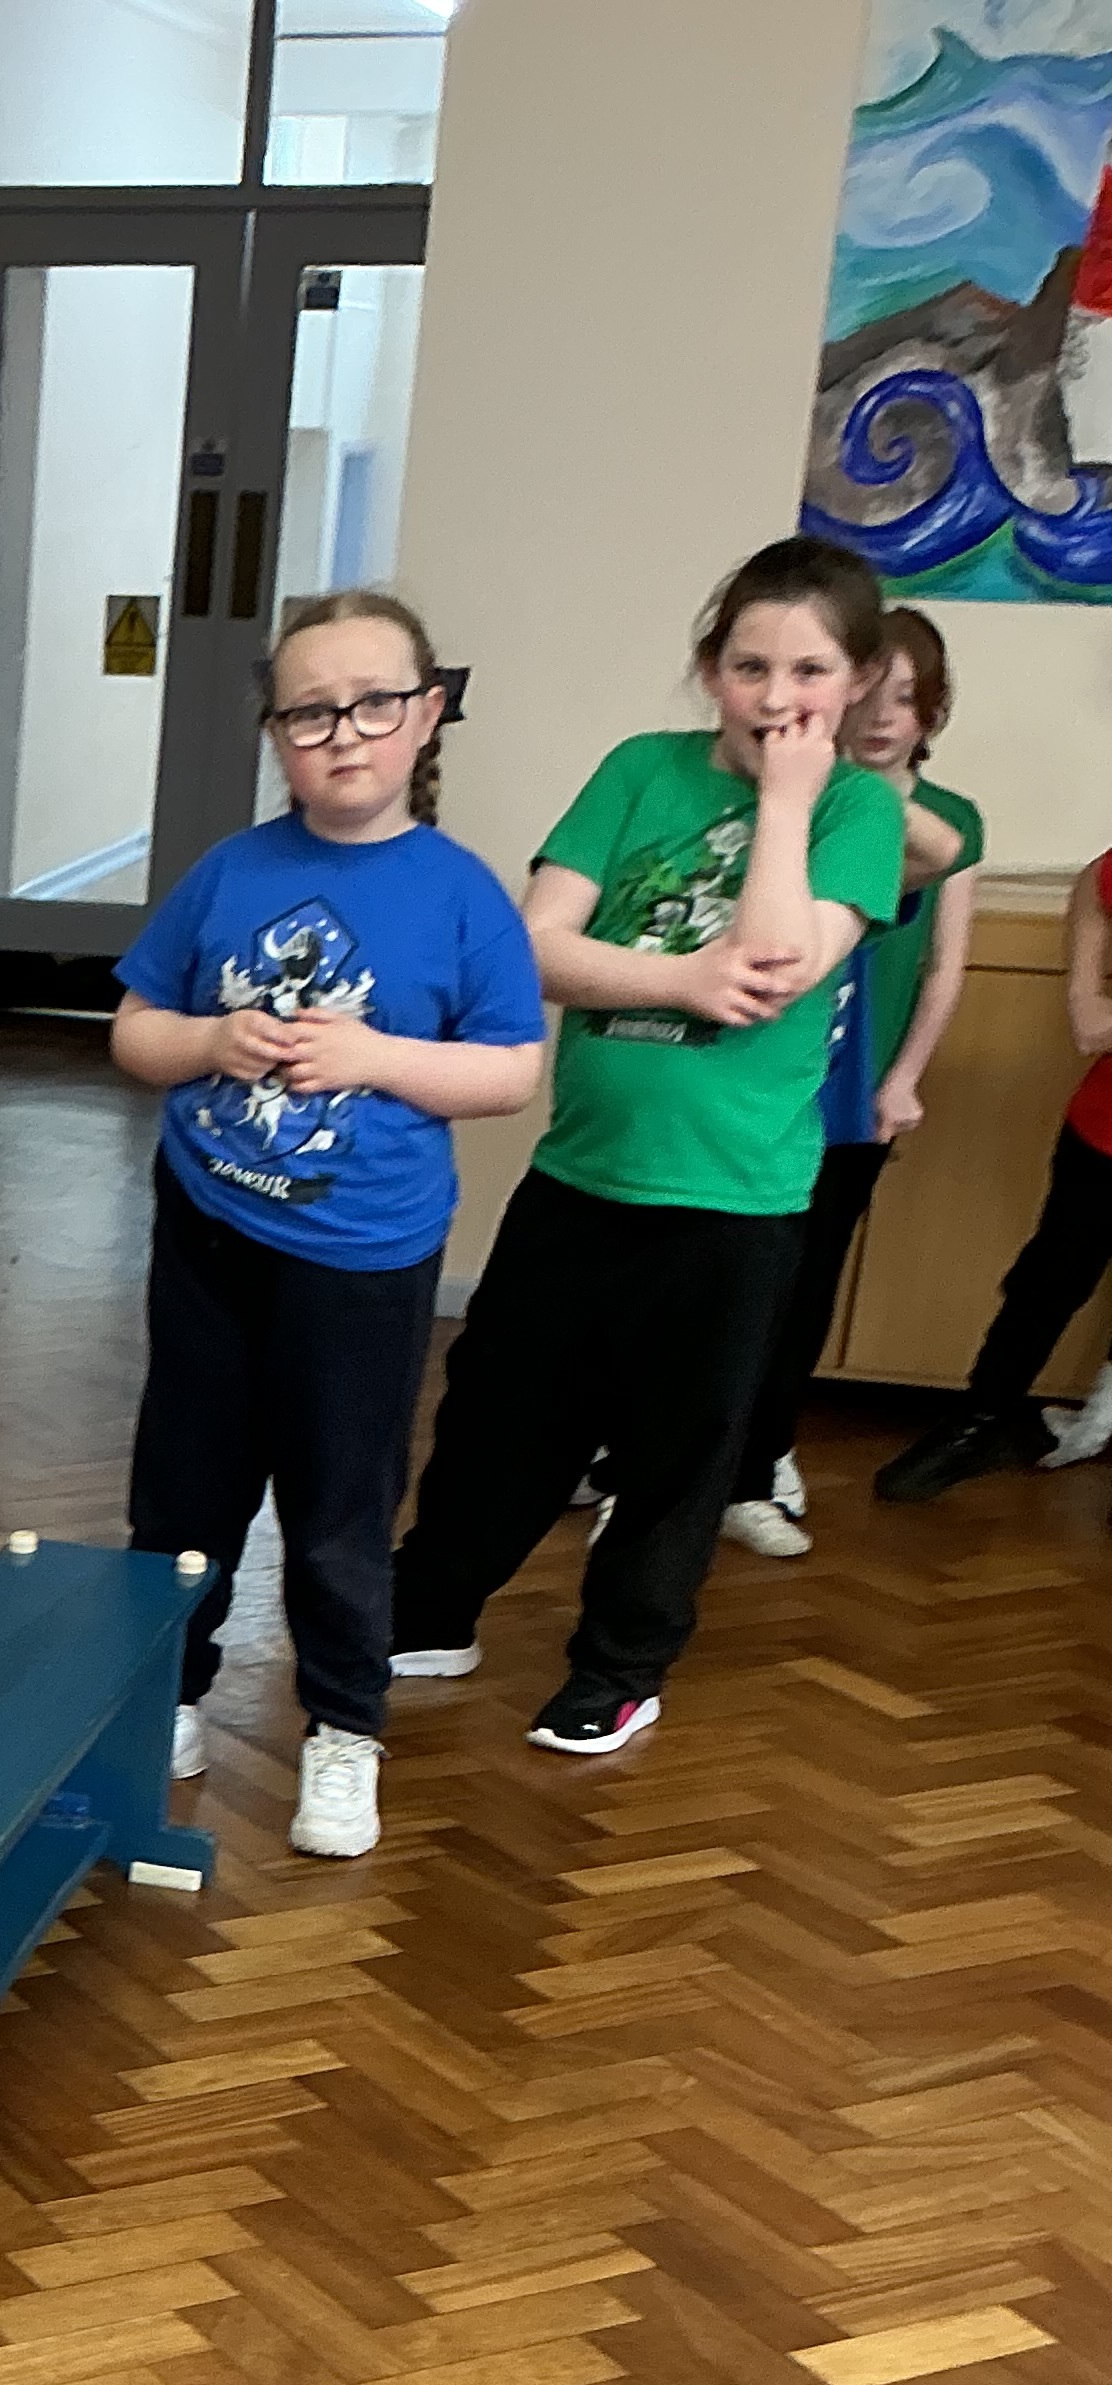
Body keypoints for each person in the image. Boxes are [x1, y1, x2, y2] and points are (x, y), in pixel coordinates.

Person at [387, 536, 906, 1755]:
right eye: (750, 667)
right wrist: (681, 977)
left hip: (735, 1203)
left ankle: (620, 1666)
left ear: (859, 680)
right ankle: (430, 1611)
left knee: (678, 1454)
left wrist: (785, 805)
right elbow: (534, 946)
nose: (777, 699)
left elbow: (776, 969)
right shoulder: (639, 768)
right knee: (501, 1415)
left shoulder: (858, 810)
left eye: (810, 672)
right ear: (710, 668)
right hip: (582, 1174)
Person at [111, 591, 545, 1857]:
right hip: (208, 1233)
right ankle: (165, 1694)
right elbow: (138, 1031)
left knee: (340, 1508)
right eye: (310, 713)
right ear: (277, 732)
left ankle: (345, 1729)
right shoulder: (229, 871)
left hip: (362, 1262)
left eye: (372, 705)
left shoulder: (461, 894)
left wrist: (375, 1058)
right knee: (183, 1488)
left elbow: (511, 1070)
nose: (343, 733)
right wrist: (210, 1041)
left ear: (427, 714)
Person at [726, 607, 983, 1549]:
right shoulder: (788, 798)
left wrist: (901, 1079)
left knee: (803, 1279)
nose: (882, 717)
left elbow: (944, 962)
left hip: (854, 1088)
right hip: (757, 1074)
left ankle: (761, 1457)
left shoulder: (935, 822)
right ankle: (654, 1453)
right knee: (718, 1275)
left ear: (932, 712)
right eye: (870, 694)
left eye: (906, 699)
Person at [874, 850, 1112, 1501]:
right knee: (1047, 1281)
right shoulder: (1105, 877)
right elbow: (1090, 1025)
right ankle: (976, 1425)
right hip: (1103, 1132)